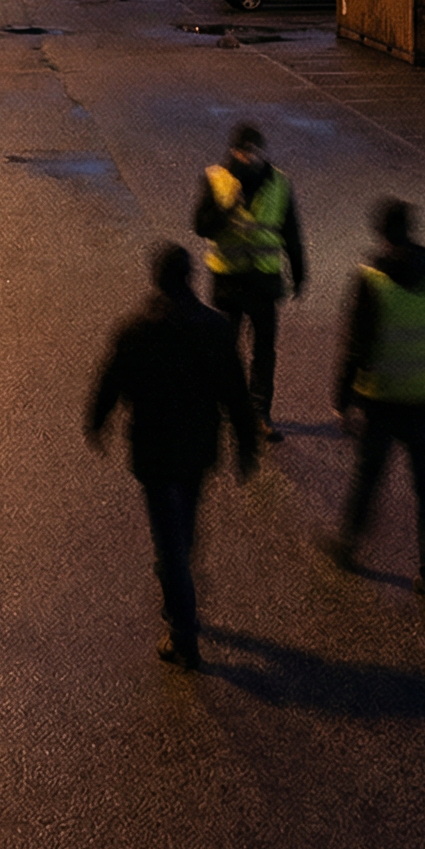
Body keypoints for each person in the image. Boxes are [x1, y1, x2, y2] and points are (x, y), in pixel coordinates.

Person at [86, 243, 262, 670]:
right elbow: (236, 394)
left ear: (155, 278)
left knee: (169, 541)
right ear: (190, 277)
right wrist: (246, 445)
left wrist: (98, 422)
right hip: (199, 446)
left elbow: (110, 380)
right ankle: (176, 587)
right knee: (184, 526)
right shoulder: (215, 328)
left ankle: (183, 632)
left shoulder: (135, 328)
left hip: (154, 449)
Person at [327, 198, 425, 604]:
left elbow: (356, 346)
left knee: (369, 477)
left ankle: (349, 545)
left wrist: (342, 398)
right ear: (412, 228)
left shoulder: (370, 277)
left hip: (383, 399)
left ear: (381, 233)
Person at [191, 122, 307, 440]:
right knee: (225, 348)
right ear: (232, 150)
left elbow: (291, 231)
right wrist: (228, 208)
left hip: (264, 281)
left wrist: (299, 272)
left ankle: (260, 413)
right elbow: (201, 226)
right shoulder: (216, 178)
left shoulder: (279, 183)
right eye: (241, 151)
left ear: (261, 152)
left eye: (253, 152)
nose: (247, 158)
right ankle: (227, 406)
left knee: (264, 350)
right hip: (228, 280)